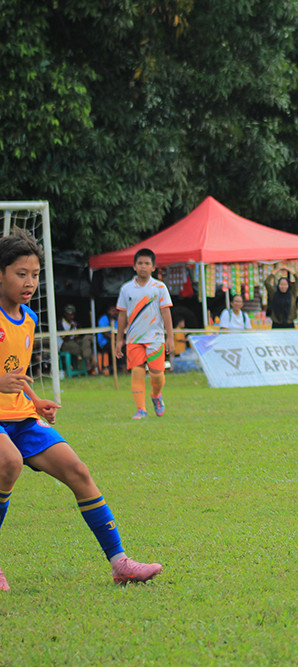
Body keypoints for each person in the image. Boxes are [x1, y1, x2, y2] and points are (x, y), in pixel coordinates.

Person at [0, 229, 162, 591]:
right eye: (20, 274)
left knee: (78, 470)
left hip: (20, 417)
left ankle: (120, 563)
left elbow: (14, 371)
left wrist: (34, 399)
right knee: (8, 463)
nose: (29, 283)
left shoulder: (26, 319)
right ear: (0, 273)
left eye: (35, 274)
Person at [115, 248, 173, 420]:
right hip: (134, 338)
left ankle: (156, 395)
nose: (143, 267)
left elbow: (166, 312)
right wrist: (119, 340)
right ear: (134, 266)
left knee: (157, 374)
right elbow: (122, 314)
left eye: (147, 263)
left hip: (155, 338)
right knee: (137, 372)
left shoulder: (159, 287)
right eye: (140, 263)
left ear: (153, 267)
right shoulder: (126, 289)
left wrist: (170, 336)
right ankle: (141, 409)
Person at [58, 304, 96, 375]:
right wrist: (71, 328)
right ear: (65, 314)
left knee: (87, 340)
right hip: (65, 344)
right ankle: (89, 363)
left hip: (76, 341)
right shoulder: (60, 323)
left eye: (72, 314)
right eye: (69, 314)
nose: (71, 316)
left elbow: (80, 335)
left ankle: (88, 363)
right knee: (83, 348)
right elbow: (65, 338)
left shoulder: (76, 323)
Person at [96, 303, 118, 375]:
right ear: (108, 311)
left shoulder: (118, 319)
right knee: (114, 347)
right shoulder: (103, 319)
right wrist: (116, 340)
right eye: (112, 311)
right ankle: (113, 368)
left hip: (116, 340)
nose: (115, 312)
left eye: (116, 310)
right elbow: (105, 333)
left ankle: (121, 367)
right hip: (104, 342)